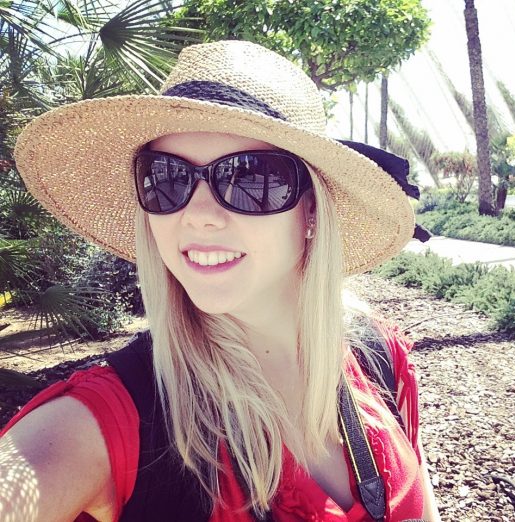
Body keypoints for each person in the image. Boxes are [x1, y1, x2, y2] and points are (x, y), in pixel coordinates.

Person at [0, 40, 438, 521]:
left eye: (250, 177)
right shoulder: (108, 423)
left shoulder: (379, 358)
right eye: (167, 177)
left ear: (312, 207)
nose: (199, 214)